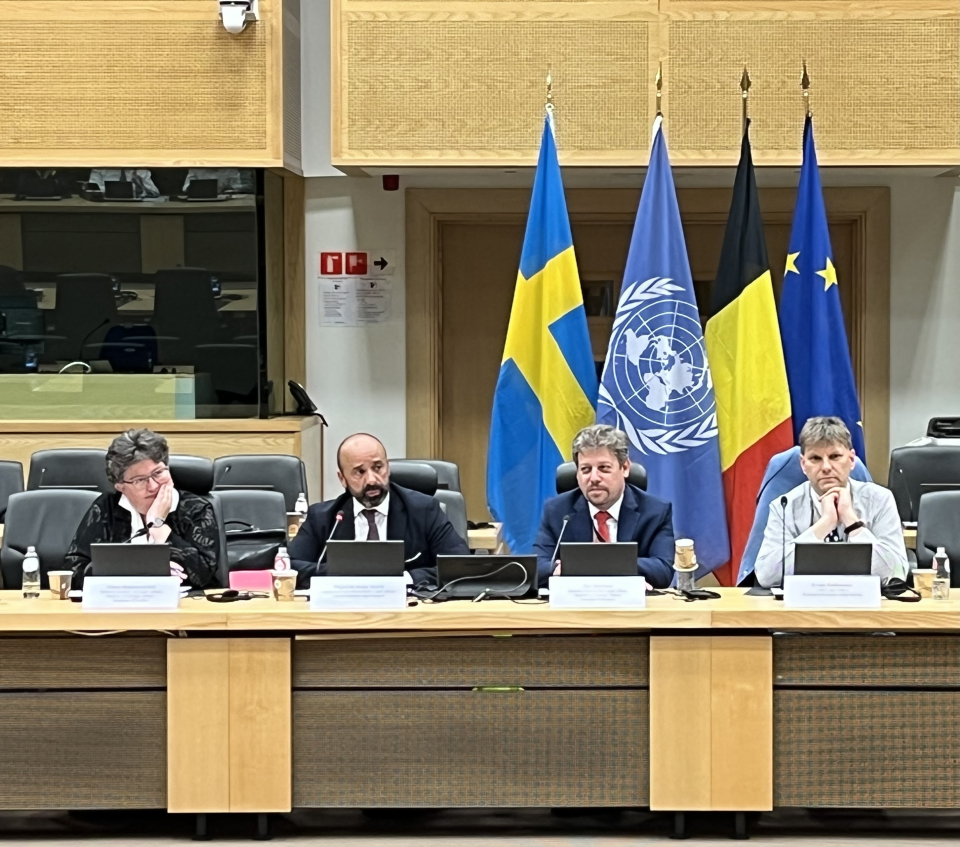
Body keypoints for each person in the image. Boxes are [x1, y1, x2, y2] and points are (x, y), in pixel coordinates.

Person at [289, 433, 469, 588]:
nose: (372, 480)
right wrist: (346, 574)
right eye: (359, 472)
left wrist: (403, 578)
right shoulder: (324, 517)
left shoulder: (423, 510)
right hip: (344, 615)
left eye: (378, 467)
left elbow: (459, 565)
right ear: (342, 478)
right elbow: (289, 567)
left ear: (388, 467)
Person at [755, 416, 908, 587]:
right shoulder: (784, 506)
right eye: (815, 458)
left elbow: (897, 573)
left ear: (851, 460)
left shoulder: (880, 500)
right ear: (803, 464)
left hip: (865, 607)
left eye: (835, 456)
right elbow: (766, 576)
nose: (826, 467)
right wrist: (825, 524)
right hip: (803, 607)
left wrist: (852, 522)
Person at [65, 429, 220, 588]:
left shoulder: (196, 509)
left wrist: (157, 526)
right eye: (140, 480)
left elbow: (203, 576)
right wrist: (137, 572)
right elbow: (73, 569)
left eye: (158, 473)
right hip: (120, 606)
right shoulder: (106, 508)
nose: (153, 486)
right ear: (121, 487)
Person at [533, 424, 675, 589]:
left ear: (625, 468)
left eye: (604, 468)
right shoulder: (557, 511)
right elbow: (537, 568)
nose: (594, 478)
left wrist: (584, 565)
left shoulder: (656, 511)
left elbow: (663, 570)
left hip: (632, 610)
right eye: (585, 469)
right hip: (574, 607)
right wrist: (621, 569)